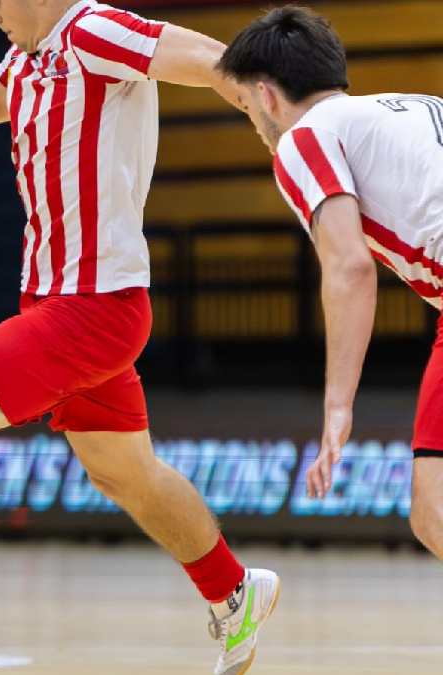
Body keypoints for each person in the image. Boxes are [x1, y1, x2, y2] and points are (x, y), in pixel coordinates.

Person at [0, 2, 280, 675]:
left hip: (93, 305)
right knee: (124, 471)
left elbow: (206, 59)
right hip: (62, 301)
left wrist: (272, 116)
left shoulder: (92, 30)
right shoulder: (32, 57)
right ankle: (234, 591)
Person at [218, 6, 443, 559]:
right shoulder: (416, 107)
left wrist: (338, 405)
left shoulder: (303, 139)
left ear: (266, 97)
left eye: (246, 105)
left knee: (436, 508)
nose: (254, 122)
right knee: (432, 500)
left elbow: (349, 267)